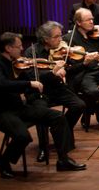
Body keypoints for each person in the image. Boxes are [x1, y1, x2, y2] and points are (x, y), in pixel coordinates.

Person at [0, 32, 86, 178]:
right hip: (0, 112)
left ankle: (63, 160)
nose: (22, 49)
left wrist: (51, 74)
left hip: (18, 108)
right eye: (18, 46)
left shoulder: (15, 64)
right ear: (8, 48)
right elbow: (2, 84)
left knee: (58, 117)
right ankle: (3, 162)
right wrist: (28, 83)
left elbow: (31, 80)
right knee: (23, 136)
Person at [21, 21, 87, 159]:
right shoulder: (32, 52)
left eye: (60, 35)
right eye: (57, 36)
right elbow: (32, 76)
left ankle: (63, 132)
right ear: (46, 39)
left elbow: (71, 68)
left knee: (79, 105)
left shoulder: (61, 50)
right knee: (42, 112)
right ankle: (43, 147)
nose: (61, 39)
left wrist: (76, 65)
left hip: (57, 88)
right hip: (39, 92)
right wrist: (53, 72)